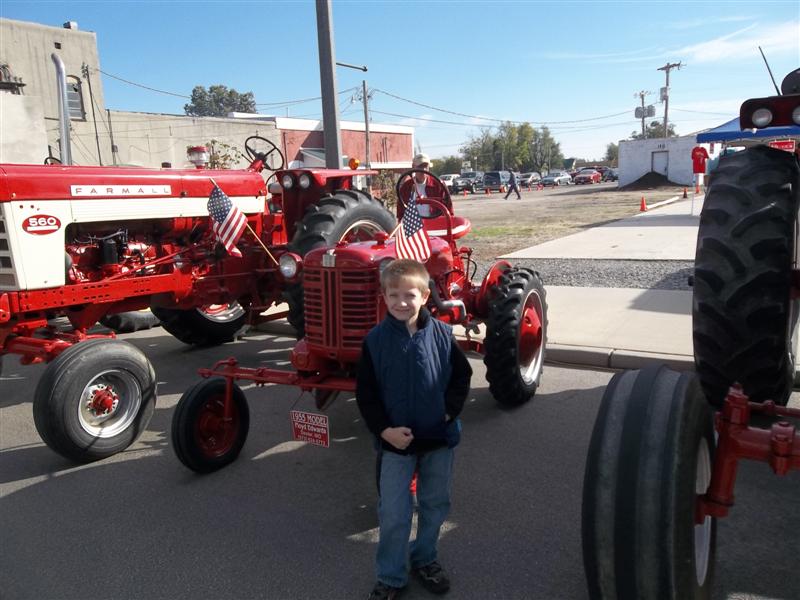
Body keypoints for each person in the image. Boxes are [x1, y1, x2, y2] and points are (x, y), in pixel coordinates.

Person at [356, 259, 472, 600]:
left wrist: (448, 412)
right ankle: (391, 575)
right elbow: (366, 395)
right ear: (384, 296)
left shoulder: (442, 335)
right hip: (395, 444)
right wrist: (384, 431)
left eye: (409, 295)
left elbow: (461, 377)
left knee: (435, 504)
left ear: (424, 296)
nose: (401, 302)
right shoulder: (374, 341)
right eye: (393, 295)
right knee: (394, 512)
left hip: (438, 440)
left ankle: (425, 558)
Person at [398, 153, 452, 218]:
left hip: (435, 222)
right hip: (413, 223)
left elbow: (448, 208)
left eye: (425, 166)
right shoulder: (406, 187)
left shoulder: (438, 185)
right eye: (420, 166)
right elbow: (400, 211)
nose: (423, 170)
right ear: (413, 167)